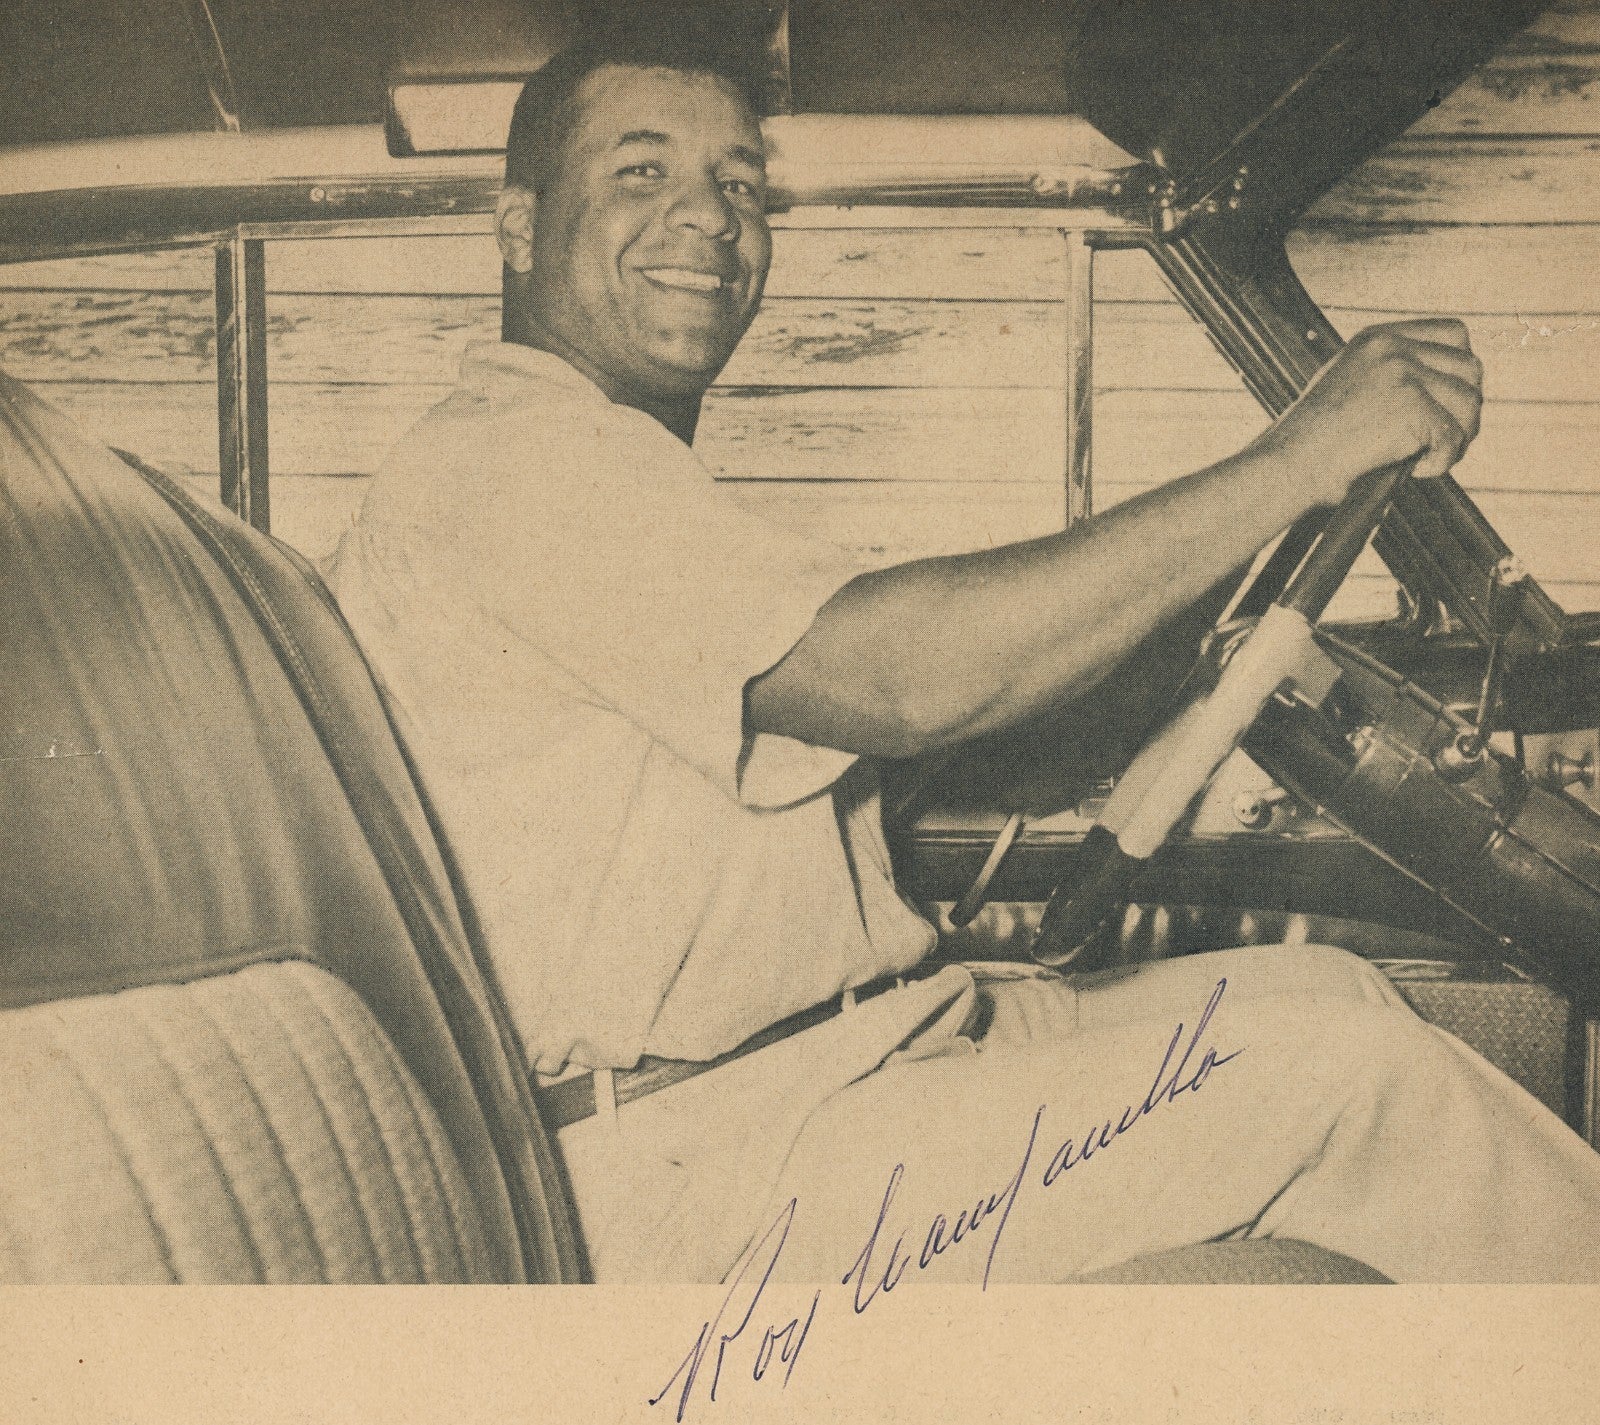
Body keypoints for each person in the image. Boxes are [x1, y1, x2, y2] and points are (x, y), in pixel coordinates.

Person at [327, 18, 1600, 1285]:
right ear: (513, 224)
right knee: (1361, 1085)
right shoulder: (517, 463)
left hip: (841, 1060)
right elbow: (903, 677)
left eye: (739, 183)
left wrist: (1179, 630)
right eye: (641, 172)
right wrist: (1294, 460)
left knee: (1336, 1005)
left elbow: (920, 701)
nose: (707, 217)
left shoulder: (622, 478)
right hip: (697, 1166)